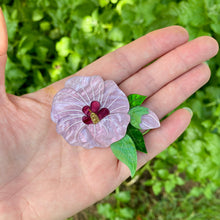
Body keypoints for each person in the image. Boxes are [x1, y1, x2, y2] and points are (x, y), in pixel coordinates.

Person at [0, 8, 219, 220]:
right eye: (90, 115)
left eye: (93, 114)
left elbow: (109, 106)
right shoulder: (74, 116)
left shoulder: (107, 105)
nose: (92, 115)